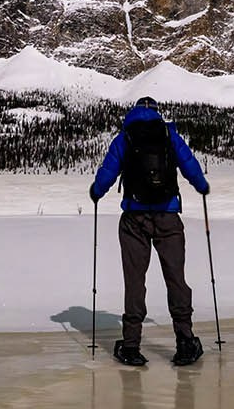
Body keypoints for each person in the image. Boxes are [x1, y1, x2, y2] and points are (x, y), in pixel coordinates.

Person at [90, 95, 211, 367]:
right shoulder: (168, 134)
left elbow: (107, 173)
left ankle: (131, 346)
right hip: (168, 217)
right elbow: (189, 164)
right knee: (175, 279)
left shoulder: (125, 137)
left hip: (134, 219)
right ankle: (185, 342)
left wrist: (96, 192)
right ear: (157, 112)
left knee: (135, 282)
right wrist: (202, 187)